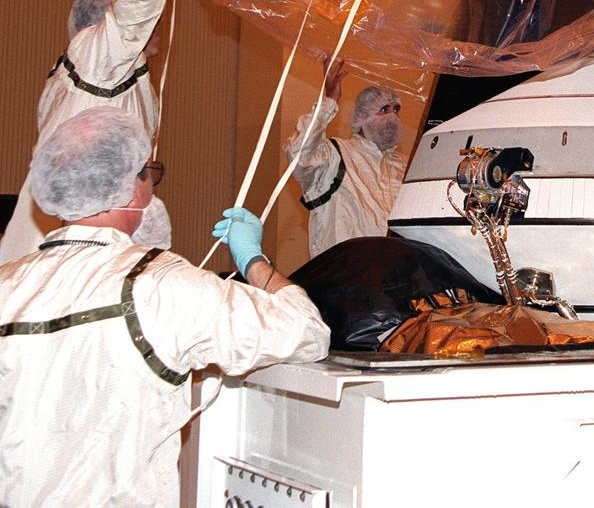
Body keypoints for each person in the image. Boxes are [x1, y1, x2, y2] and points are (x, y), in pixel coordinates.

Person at [0, 107, 329, 505]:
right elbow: (306, 332)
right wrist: (252, 260)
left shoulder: (7, 283)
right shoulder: (158, 284)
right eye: (148, 172)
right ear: (134, 189)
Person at [0, 0, 189, 263]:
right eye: (145, 20)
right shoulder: (97, 59)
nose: (156, 24)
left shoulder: (105, 77)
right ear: (106, 23)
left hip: (89, 247)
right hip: (74, 255)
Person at [287, 56, 408, 257]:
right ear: (362, 116)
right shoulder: (335, 155)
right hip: (345, 278)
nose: (392, 117)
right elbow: (300, 153)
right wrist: (329, 102)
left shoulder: (405, 166)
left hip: (396, 279)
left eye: (396, 109)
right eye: (384, 109)